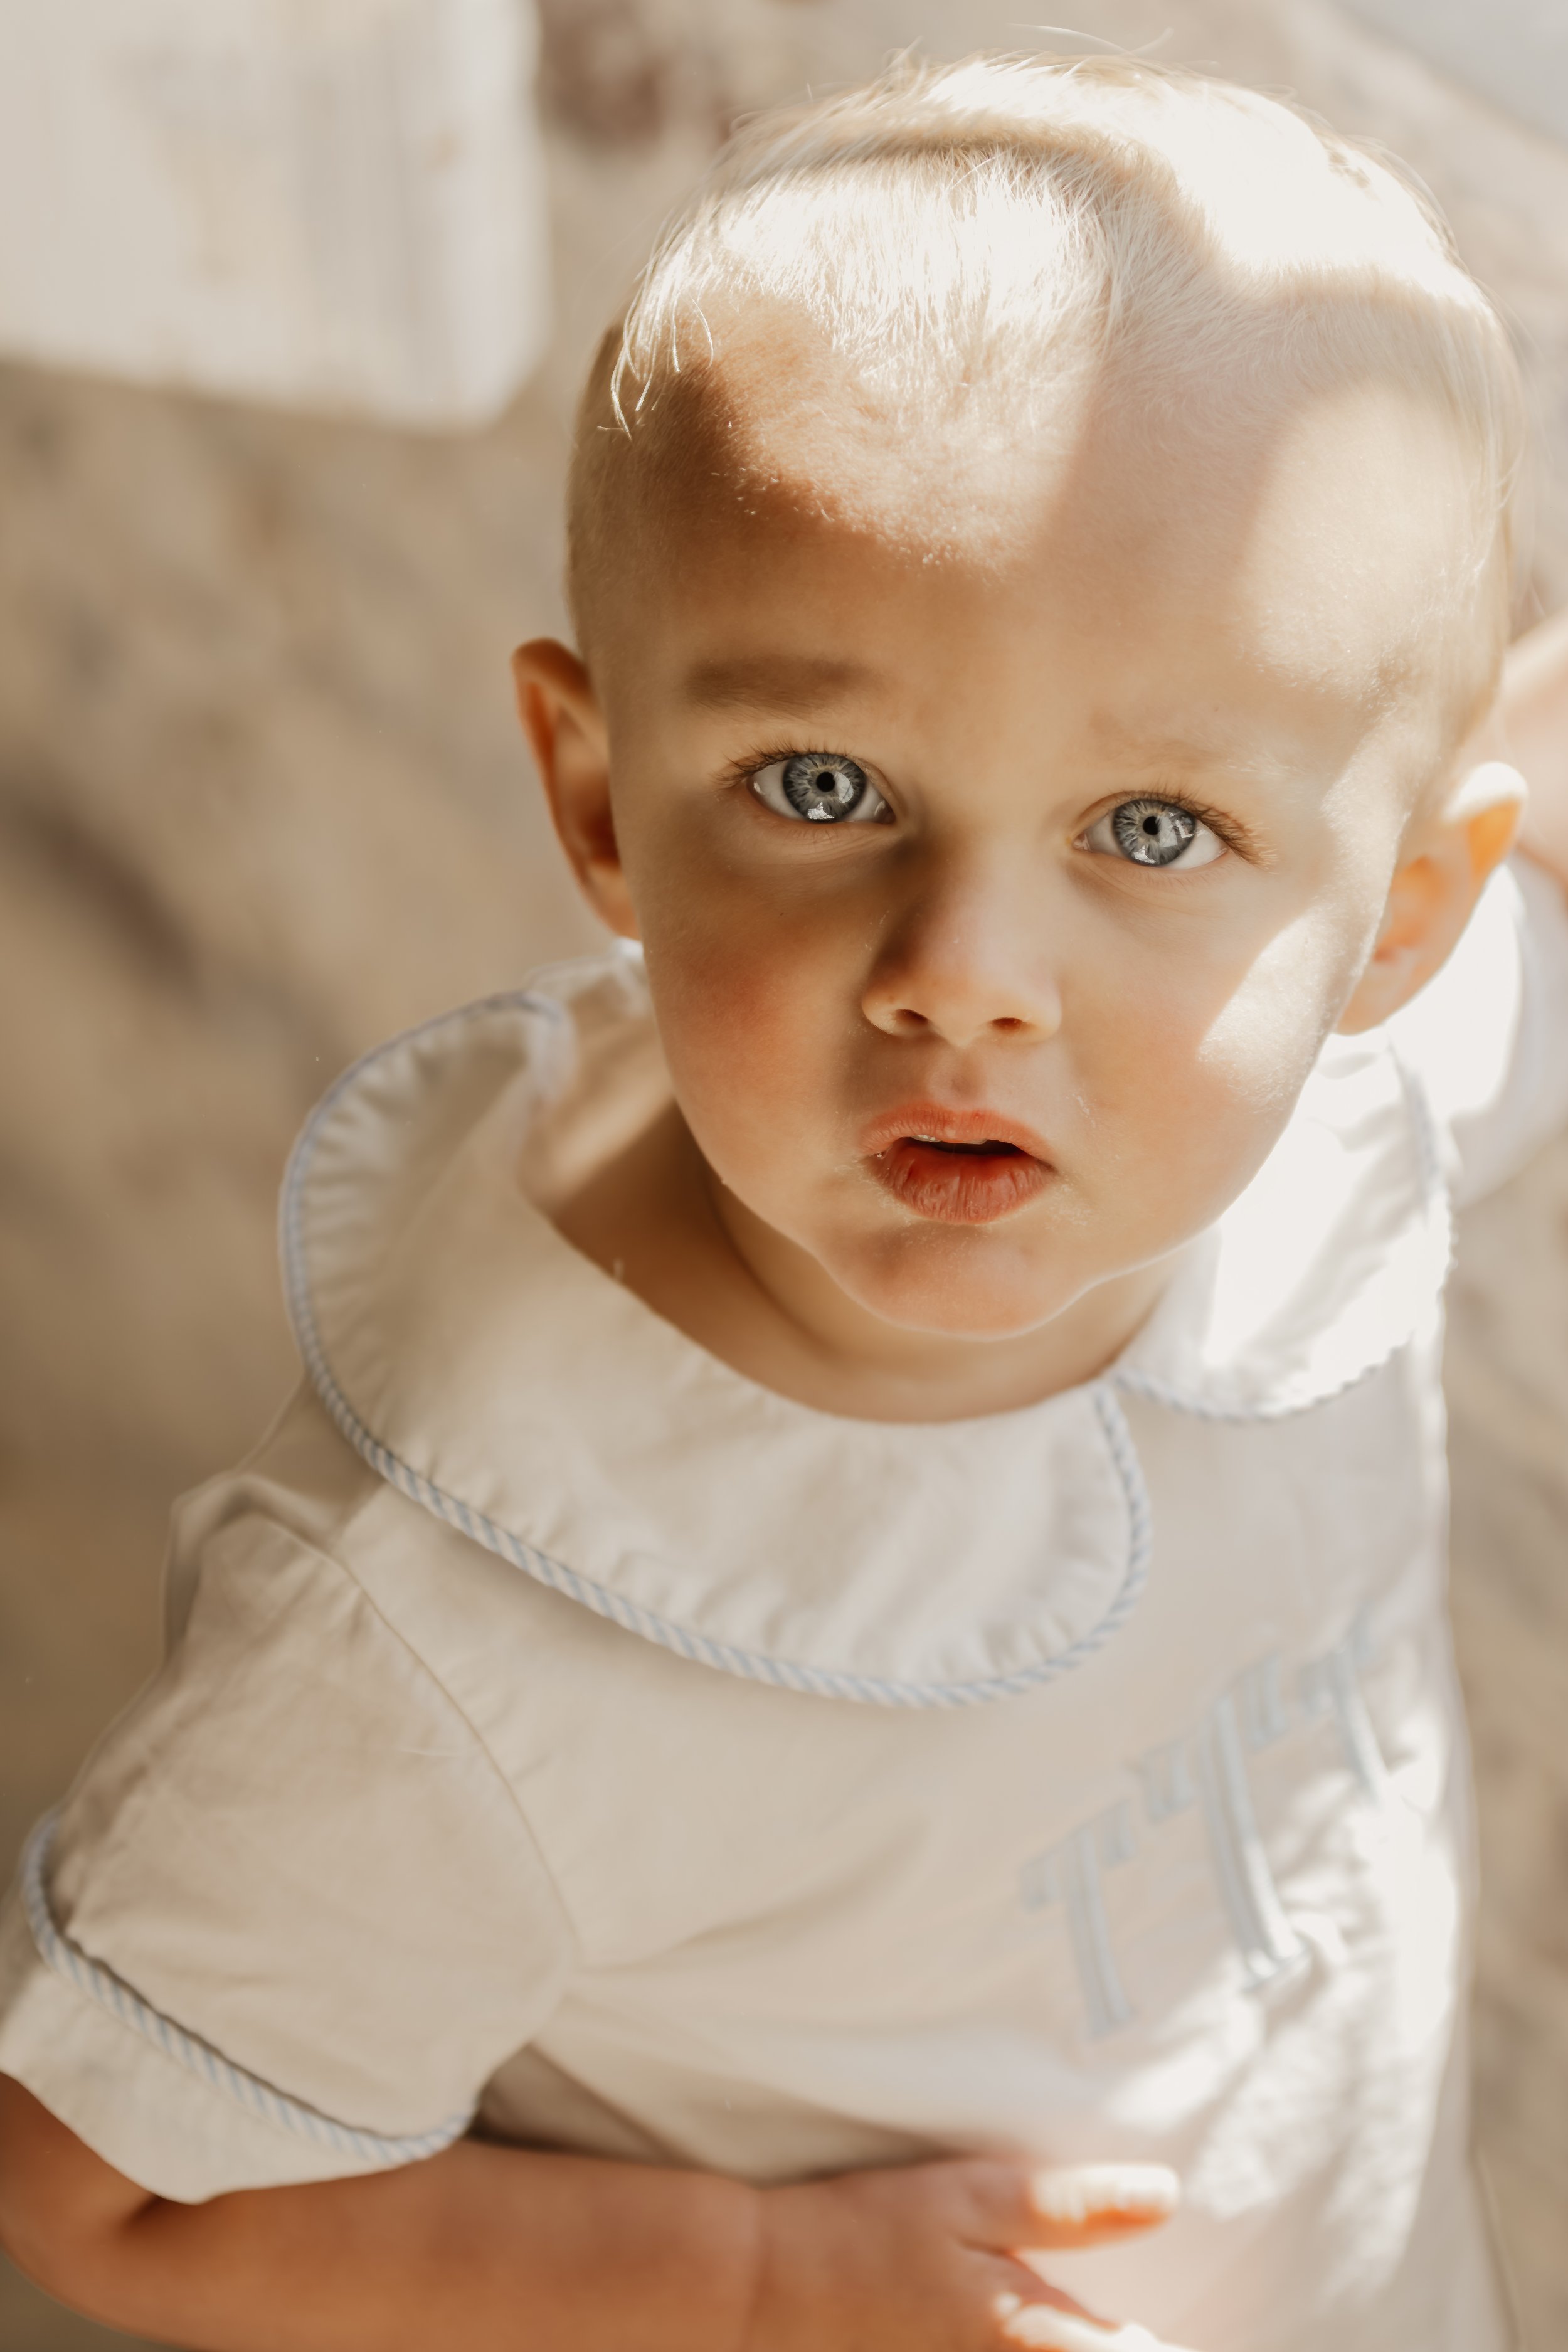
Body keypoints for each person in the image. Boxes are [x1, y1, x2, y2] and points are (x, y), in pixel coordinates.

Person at [1, 51, 1566, 2352]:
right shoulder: (442, 1644)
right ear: (600, 793)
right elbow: (100, 2197)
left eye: (1148, 831)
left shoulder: (1340, 1088)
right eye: (822, 784)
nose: (964, 984)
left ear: (1393, 916)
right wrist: (756, 2281)